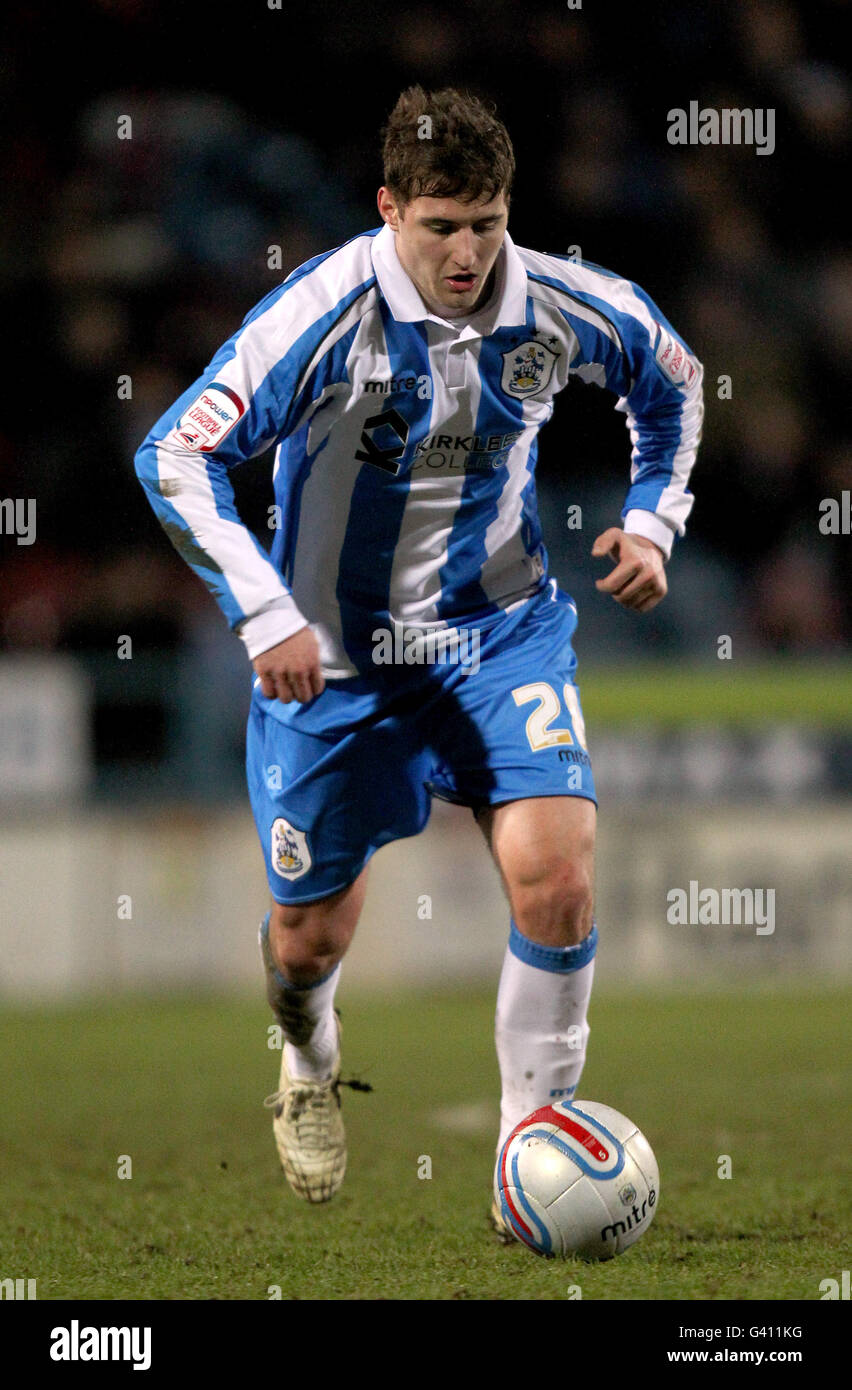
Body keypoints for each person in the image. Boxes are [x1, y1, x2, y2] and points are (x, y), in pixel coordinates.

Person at [134, 85, 703, 1237]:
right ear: (389, 208)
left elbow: (676, 380)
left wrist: (653, 522)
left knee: (558, 867)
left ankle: (523, 1154)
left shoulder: (561, 305)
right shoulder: (322, 317)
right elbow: (176, 452)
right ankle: (308, 1057)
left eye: (487, 223)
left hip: (500, 630)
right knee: (310, 939)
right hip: (335, 662)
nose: (466, 251)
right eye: (440, 225)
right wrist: (262, 613)